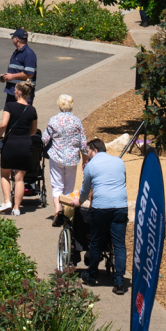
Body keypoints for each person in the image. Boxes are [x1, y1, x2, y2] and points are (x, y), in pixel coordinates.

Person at [71, 139, 128, 295]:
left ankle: (92, 274)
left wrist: (79, 201)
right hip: (120, 206)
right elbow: (123, 182)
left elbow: (85, 190)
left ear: (94, 151)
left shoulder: (91, 165)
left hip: (101, 207)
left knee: (96, 241)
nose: (87, 155)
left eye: (88, 151)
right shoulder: (119, 162)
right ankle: (119, 282)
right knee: (119, 245)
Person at [42, 94, 88, 226]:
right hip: (72, 158)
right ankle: (67, 213)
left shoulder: (54, 120)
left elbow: (45, 139)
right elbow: (83, 144)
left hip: (56, 156)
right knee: (68, 187)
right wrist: (85, 160)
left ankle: (57, 210)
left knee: (57, 185)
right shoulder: (77, 121)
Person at [0, 80, 38, 216]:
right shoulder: (32, 110)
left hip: (10, 144)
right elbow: (33, 130)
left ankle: (7, 201)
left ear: (19, 92)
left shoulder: (10, 106)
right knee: (19, 178)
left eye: (15, 90)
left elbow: (3, 124)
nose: (13, 92)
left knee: (5, 175)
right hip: (25, 145)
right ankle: (17, 208)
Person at [0, 28, 37, 105]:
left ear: (16, 39)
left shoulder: (29, 54)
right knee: (9, 115)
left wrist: (12, 76)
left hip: (23, 94)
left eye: (13, 38)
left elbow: (29, 74)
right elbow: (16, 71)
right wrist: (6, 77)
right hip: (12, 91)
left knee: (22, 116)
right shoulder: (17, 52)